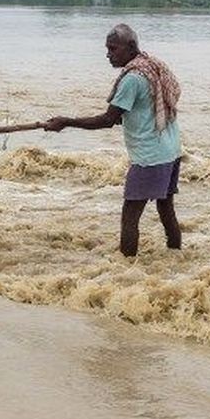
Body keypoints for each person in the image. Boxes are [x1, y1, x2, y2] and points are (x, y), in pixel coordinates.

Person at [43, 24, 182, 257]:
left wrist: (66, 122)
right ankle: (177, 256)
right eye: (107, 49)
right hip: (171, 150)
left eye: (113, 49)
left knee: (130, 215)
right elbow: (140, 109)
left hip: (150, 157)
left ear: (130, 47)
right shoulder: (152, 65)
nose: (108, 54)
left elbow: (108, 119)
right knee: (166, 208)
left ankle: (125, 271)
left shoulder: (133, 79)